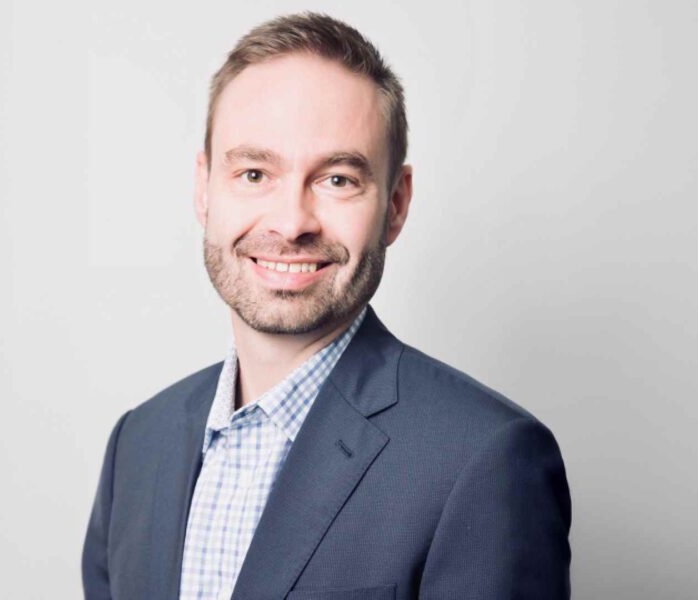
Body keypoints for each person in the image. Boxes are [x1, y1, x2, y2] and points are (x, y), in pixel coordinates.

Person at [82, 12, 571, 600]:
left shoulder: (485, 460)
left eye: (337, 179)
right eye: (254, 173)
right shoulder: (138, 445)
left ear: (396, 205)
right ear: (203, 187)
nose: (291, 223)